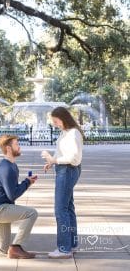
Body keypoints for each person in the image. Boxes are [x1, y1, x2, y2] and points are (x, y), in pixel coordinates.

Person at [41, 107, 83, 259]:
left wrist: (53, 159)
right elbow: (61, 152)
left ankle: (64, 249)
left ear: (63, 118)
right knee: (68, 208)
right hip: (63, 170)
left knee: (60, 210)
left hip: (68, 171)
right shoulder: (65, 132)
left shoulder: (73, 133)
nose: (55, 124)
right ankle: (71, 244)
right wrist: (52, 162)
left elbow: (73, 158)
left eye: (56, 121)